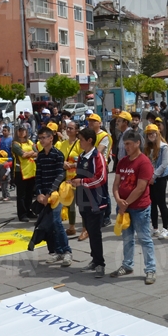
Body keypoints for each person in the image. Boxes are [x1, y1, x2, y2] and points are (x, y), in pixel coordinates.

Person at [109, 132, 157, 284]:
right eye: (125, 144)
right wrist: (118, 200)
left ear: (137, 143)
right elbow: (115, 184)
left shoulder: (144, 162)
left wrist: (125, 203)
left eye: (129, 143)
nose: (126, 147)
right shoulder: (122, 162)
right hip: (124, 207)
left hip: (139, 207)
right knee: (127, 238)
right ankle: (127, 264)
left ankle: (150, 269)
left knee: (144, 239)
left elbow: (140, 188)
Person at [71, 128, 108, 276]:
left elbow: (101, 178)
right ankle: (95, 260)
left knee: (95, 233)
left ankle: (100, 264)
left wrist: (82, 182)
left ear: (89, 140)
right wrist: (73, 181)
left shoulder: (97, 157)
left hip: (96, 201)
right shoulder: (81, 156)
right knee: (90, 232)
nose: (79, 142)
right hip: (83, 200)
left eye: (80, 139)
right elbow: (80, 175)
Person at [32, 127, 69, 263]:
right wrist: (39, 194)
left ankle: (66, 251)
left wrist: (49, 193)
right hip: (44, 195)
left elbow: (60, 175)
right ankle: (56, 251)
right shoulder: (40, 156)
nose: (41, 140)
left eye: (43, 137)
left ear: (51, 138)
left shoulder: (58, 155)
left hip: (56, 194)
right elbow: (38, 176)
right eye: (40, 138)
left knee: (57, 222)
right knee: (49, 225)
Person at [87, 113, 113, 230]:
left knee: (103, 192)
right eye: (89, 121)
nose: (90, 123)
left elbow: (97, 152)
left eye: (93, 121)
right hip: (90, 167)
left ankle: (106, 216)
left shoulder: (104, 136)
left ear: (99, 123)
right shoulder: (89, 134)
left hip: (101, 167)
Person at [145, 124, 168, 239]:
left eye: (153, 133)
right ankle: (155, 228)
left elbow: (164, 164)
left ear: (157, 133)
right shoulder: (147, 147)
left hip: (159, 178)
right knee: (152, 204)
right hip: (149, 179)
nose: (151, 136)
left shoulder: (164, 147)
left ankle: (165, 228)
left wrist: (154, 176)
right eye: (149, 134)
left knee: (161, 203)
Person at [56, 120, 82, 236]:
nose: (68, 130)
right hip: (66, 179)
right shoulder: (63, 144)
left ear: (77, 131)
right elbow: (59, 159)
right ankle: (72, 227)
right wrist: (62, 164)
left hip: (78, 178)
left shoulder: (80, 144)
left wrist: (72, 165)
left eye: (71, 128)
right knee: (70, 204)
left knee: (81, 205)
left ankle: (85, 229)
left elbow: (84, 161)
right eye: (67, 128)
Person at [12, 126, 38, 222]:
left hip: (31, 170)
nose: (22, 132)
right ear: (17, 132)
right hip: (20, 172)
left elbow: (37, 153)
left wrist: (28, 153)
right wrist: (31, 152)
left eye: (24, 131)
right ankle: (22, 214)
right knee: (21, 195)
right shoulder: (15, 144)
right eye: (20, 130)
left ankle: (29, 211)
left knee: (30, 193)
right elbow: (22, 155)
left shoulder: (30, 142)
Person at [0, 125, 13, 202]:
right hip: (1, 160)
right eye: (3, 130)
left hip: (8, 160)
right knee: (1, 175)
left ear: (8, 132)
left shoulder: (11, 140)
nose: (3, 132)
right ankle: (3, 194)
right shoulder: (2, 139)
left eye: (5, 131)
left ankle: (8, 193)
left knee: (7, 177)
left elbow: (12, 150)